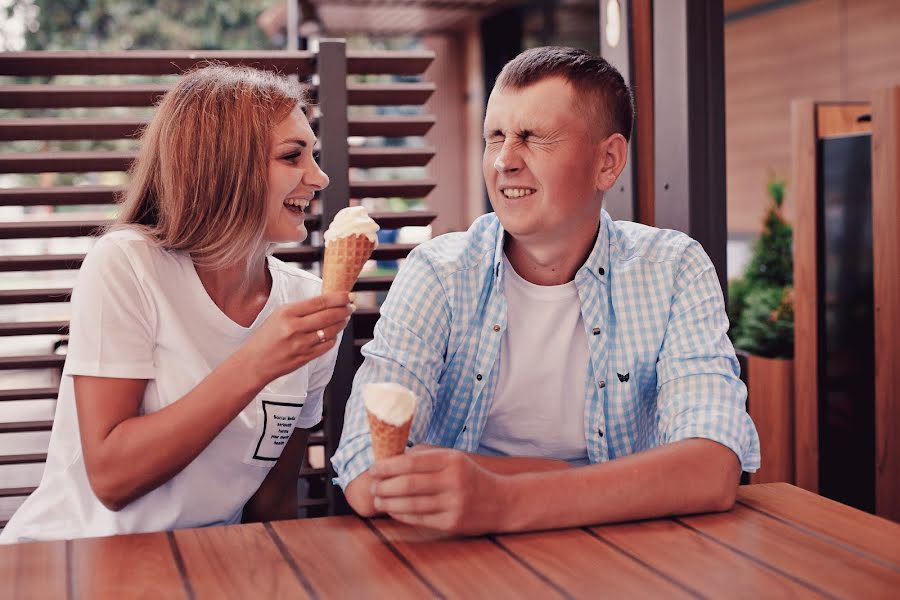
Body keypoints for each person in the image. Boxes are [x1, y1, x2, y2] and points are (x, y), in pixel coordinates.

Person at [332, 47, 760, 535]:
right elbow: (367, 471)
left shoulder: (674, 269)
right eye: (495, 137)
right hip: (454, 561)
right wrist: (621, 482)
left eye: (535, 138)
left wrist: (501, 498)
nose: (504, 161)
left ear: (608, 161)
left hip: (631, 559)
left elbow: (712, 469)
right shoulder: (437, 272)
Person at [0, 65, 353, 543]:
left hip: (205, 564)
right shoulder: (127, 265)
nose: (320, 176)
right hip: (72, 557)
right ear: (223, 166)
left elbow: (272, 501)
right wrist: (257, 363)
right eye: (293, 156)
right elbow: (112, 479)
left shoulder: (306, 303)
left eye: (312, 155)